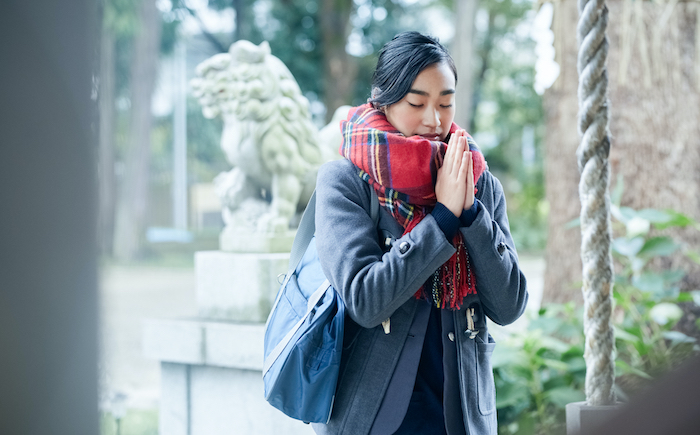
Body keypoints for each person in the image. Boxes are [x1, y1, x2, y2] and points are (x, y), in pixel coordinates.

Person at [312, 31, 528, 435]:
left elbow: (509, 306)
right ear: (384, 99)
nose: (434, 119)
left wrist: (470, 214)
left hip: (460, 416)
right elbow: (366, 300)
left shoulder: (478, 182)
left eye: (445, 103)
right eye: (417, 103)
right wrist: (443, 218)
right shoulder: (346, 181)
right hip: (375, 417)